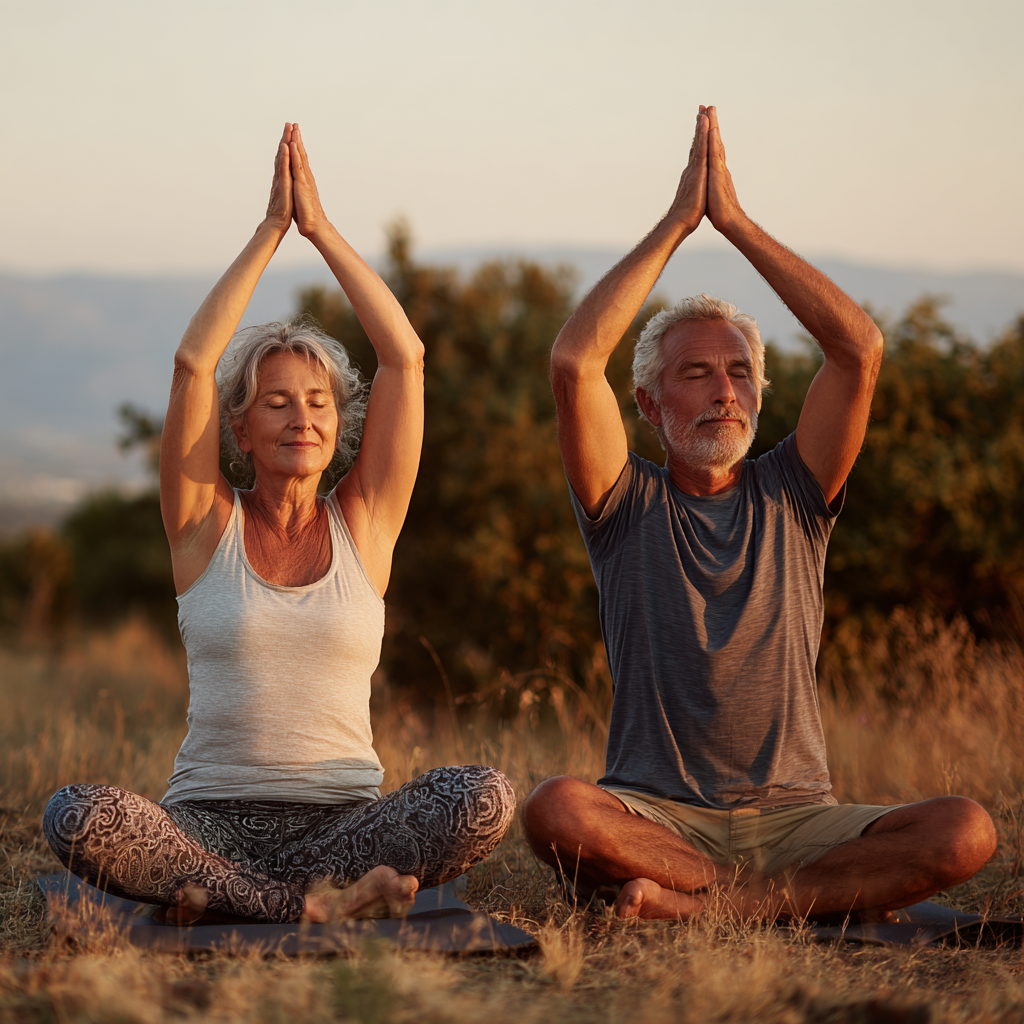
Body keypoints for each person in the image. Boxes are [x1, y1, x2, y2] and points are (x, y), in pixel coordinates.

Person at [522, 106, 996, 921]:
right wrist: (680, 221)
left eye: (740, 372)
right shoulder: (625, 503)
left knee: (966, 831)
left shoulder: (796, 491)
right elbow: (573, 359)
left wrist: (734, 222)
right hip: (657, 819)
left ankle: (715, 908)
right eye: (697, 373)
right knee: (555, 810)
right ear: (647, 402)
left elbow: (859, 348)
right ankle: (772, 903)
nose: (724, 391)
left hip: (799, 818)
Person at [43, 124, 514, 925]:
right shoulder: (203, 523)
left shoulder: (365, 523)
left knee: (484, 796)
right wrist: (269, 232)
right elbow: (194, 364)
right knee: (76, 813)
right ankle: (303, 907)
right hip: (205, 826)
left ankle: (255, 903)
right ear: (240, 430)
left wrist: (321, 230)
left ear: (339, 426)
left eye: (319, 401)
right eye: (276, 401)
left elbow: (404, 357)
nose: (302, 416)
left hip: (344, 826)